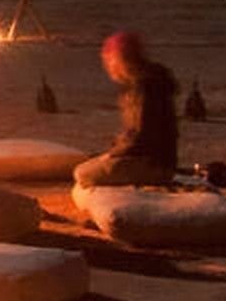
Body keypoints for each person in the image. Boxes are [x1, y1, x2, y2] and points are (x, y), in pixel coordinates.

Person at [74, 30, 178, 189]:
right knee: (90, 164)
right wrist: (112, 151)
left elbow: (141, 136)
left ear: (119, 59)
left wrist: (113, 154)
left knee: (82, 172)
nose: (108, 67)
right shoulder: (144, 83)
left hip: (152, 165)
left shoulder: (144, 87)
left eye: (109, 61)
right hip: (154, 161)